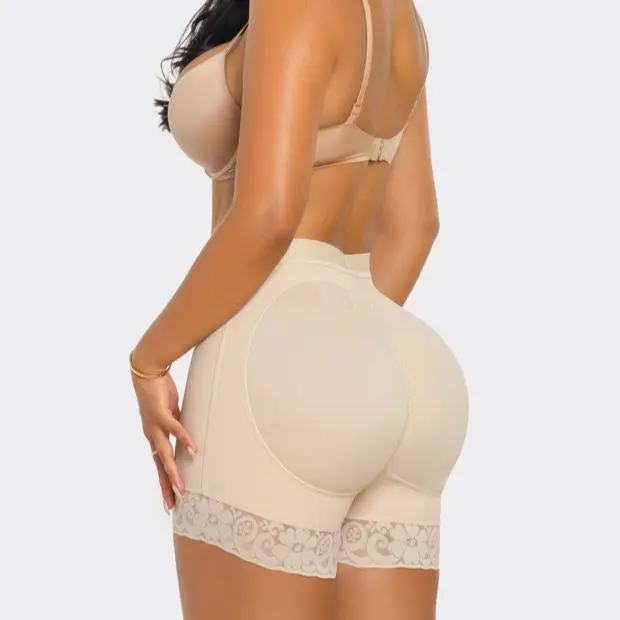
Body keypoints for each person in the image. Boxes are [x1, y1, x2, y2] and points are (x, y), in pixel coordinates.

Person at [129, 0, 469, 618]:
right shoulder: (403, 18)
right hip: (404, 360)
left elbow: (268, 218)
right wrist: (345, 356)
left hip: (272, 343)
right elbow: (416, 224)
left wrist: (149, 362)